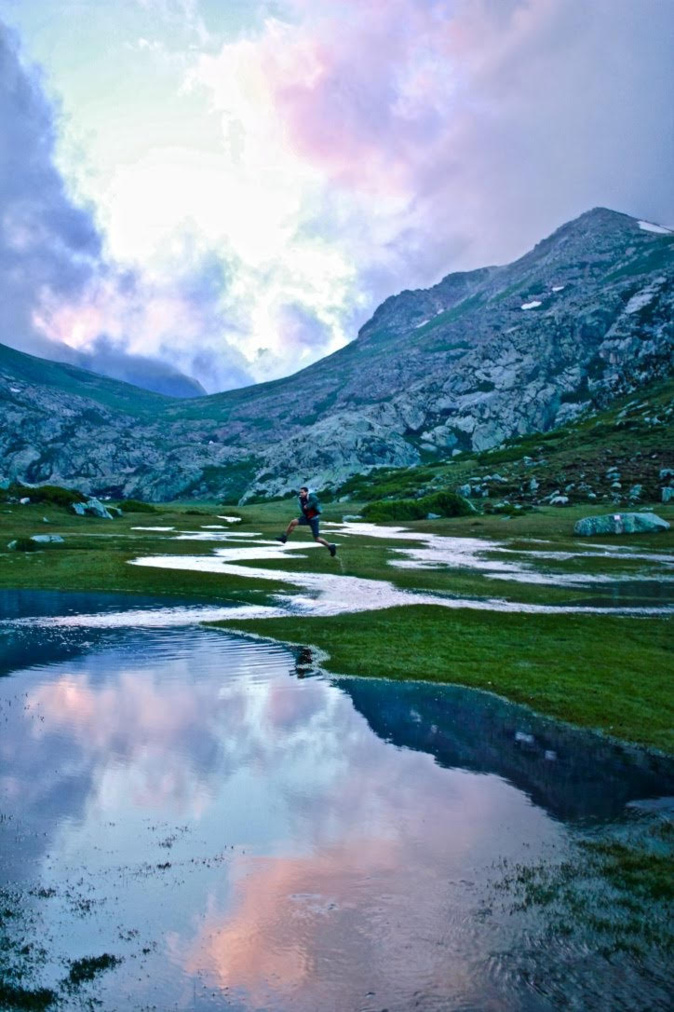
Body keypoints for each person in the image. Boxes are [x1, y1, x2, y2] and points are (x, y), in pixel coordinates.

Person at [276, 486, 337, 556]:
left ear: (306, 492)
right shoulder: (300, 499)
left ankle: (331, 546)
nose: (301, 494)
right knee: (293, 522)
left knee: (317, 539)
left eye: (302, 492)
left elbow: (316, 500)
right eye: (300, 492)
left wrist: (308, 505)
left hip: (314, 520)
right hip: (306, 517)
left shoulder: (311, 496)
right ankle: (284, 537)